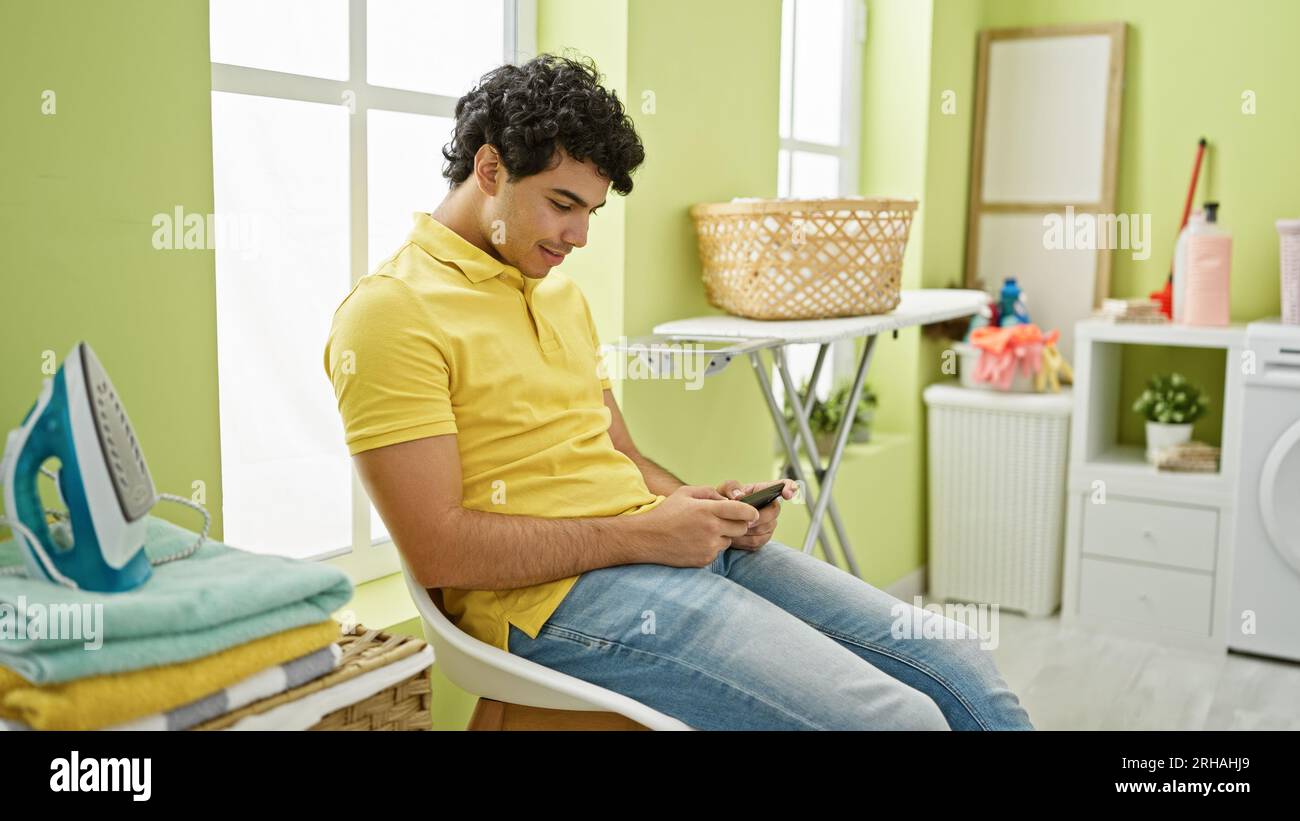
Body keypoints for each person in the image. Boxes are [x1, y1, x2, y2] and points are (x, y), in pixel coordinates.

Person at [324, 53, 1033, 730]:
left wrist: (702, 507)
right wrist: (640, 533)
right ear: (489, 167)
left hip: (647, 544)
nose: (578, 235)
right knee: (899, 719)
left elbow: (617, 450)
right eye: (561, 204)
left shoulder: (558, 292)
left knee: (956, 662)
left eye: (592, 212)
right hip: (545, 601)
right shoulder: (391, 313)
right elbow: (439, 550)